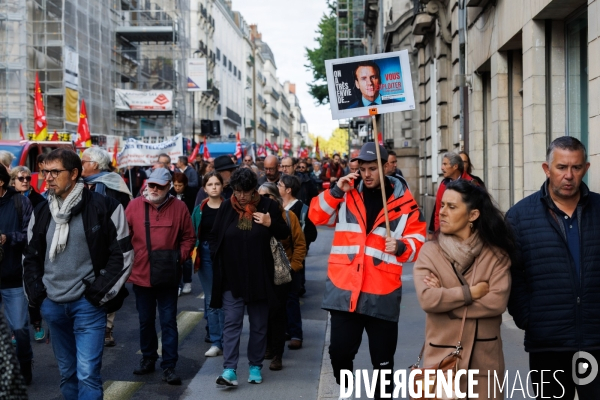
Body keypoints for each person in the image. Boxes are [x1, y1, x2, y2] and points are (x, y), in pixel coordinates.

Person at [308, 142, 426, 399]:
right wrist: (336, 191)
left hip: (382, 291)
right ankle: (348, 390)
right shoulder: (347, 193)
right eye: (363, 169)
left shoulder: (404, 202)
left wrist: (402, 246)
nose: (367, 174)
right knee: (339, 355)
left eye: (373, 168)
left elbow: (418, 241)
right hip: (344, 289)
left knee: (383, 366)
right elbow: (316, 216)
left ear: (386, 167)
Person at [23, 149, 133, 399]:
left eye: (55, 172)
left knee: (87, 374)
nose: (48, 178)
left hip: (88, 305)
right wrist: (38, 297)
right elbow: (29, 258)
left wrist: (97, 294)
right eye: (45, 172)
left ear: (74, 173)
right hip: (52, 304)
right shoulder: (41, 211)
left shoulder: (105, 207)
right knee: (68, 373)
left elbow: (123, 255)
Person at [506, 136, 600, 399]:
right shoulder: (519, 216)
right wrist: (529, 318)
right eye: (561, 167)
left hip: (596, 342)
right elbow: (513, 275)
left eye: (576, 167)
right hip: (548, 344)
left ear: (586, 168)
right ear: (547, 169)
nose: (568, 175)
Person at [414, 180, 514, 398]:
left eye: (452, 207)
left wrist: (446, 304)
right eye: (442, 205)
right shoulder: (430, 252)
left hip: (484, 362)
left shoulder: (496, 256)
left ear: (473, 215)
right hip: (441, 359)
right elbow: (427, 299)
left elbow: (496, 303)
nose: (442, 212)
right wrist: (471, 293)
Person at [211, 168, 289, 388]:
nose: (241, 196)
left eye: (245, 191)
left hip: (260, 277)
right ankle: (229, 369)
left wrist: (269, 222)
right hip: (232, 278)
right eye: (237, 191)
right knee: (232, 323)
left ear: (254, 189)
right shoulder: (228, 206)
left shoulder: (268, 206)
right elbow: (215, 236)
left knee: (258, 325)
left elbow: (285, 233)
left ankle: (255, 366)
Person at [125, 168, 195, 385]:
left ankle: (169, 366)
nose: (153, 189)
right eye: (151, 185)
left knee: (168, 322)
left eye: (159, 186)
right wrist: (129, 261)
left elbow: (189, 237)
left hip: (167, 275)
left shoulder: (179, 207)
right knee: (145, 321)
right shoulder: (134, 205)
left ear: (169, 187)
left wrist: (178, 258)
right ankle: (148, 358)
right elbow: (122, 236)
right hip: (141, 274)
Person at [81, 146, 133, 347]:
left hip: (109, 241)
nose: (81, 165)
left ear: (94, 164)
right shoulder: (81, 183)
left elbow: (121, 214)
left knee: (108, 281)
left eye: (84, 161)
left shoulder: (113, 184)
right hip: (86, 242)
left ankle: (107, 328)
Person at [258, 182, 306, 371]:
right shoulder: (255, 216)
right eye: (260, 197)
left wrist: (293, 268)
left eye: (268, 197)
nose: (264, 201)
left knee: (278, 312)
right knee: (264, 313)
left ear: (275, 198)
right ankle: (268, 346)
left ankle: (277, 353)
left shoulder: (288, 216)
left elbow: (300, 244)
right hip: (262, 273)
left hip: (283, 273)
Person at [0, 164, 34, 384]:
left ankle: (24, 363)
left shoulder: (20, 202)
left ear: (1, 182)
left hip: (13, 277)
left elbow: (30, 236)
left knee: (20, 329)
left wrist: (7, 238)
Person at [278, 174, 317, 345]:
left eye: (279, 184)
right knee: (280, 298)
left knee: (292, 297)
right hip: (278, 259)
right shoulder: (277, 207)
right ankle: (284, 329)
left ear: (288, 189)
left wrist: (299, 255)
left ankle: (296, 334)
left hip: (294, 259)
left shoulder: (302, 209)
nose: (277, 186)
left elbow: (311, 233)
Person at [10, 166, 46, 343]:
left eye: (27, 178)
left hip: (32, 251)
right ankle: (16, 330)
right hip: (11, 252)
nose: (25, 181)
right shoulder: (8, 200)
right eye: (21, 178)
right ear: (12, 181)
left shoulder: (38, 199)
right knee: (15, 294)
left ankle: (37, 325)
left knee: (32, 289)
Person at [191, 171, 225, 357]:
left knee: (227, 299)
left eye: (217, 184)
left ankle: (229, 339)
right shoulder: (199, 210)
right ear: (204, 188)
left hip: (226, 255)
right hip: (204, 254)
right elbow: (192, 232)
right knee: (212, 300)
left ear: (222, 186)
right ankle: (216, 341)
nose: (213, 187)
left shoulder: (229, 207)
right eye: (210, 184)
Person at [429, 152, 476, 234]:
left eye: (445, 164)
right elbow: (437, 211)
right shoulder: (443, 184)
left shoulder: (471, 184)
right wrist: (438, 233)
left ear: (455, 166)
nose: (442, 168)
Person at [169, 172, 198, 296]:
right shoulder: (170, 193)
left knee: (185, 257)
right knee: (175, 257)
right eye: (175, 185)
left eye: (179, 185)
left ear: (185, 184)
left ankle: (187, 281)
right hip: (174, 228)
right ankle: (177, 284)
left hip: (187, 227)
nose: (177, 188)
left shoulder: (192, 193)